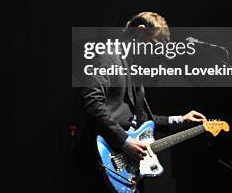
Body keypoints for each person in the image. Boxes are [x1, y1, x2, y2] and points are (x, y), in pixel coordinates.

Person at [79, 11, 206, 192]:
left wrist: (180, 119)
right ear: (139, 32)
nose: (157, 55)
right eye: (155, 45)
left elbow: (145, 120)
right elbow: (92, 103)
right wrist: (125, 142)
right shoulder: (108, 55)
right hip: (100, 162)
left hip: (124, 169)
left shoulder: (133, 69)